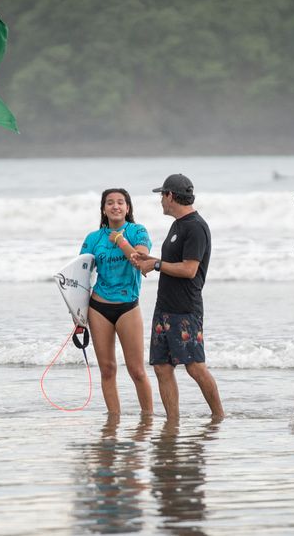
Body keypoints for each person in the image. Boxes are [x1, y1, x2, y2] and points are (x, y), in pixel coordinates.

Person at [132, 174, 224, 418]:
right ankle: (172, 421)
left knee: (195, 367)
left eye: (162, 195)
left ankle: (219, 416)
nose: (160, 201)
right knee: (162, 367)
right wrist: (149, 261)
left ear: (170, 196)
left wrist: (157, 265)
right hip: (164, 307)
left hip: (185, 308)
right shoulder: (178, 224)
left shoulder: (195, 226)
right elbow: (171, 262)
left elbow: (189, 269)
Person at [80, 188, 154, 415]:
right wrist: (78, 316)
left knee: (137, 371)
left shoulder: (137, 231)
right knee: (108, 370)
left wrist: (121, 240)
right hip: (98, 307)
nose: (115, 206)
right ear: (103, 209)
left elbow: (141, 262)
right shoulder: (93, 239)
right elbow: (80, 277)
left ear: (128, 208)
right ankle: (113, 420)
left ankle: (148, 417)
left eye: (121, 202)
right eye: (110, 202)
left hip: (127, 306)